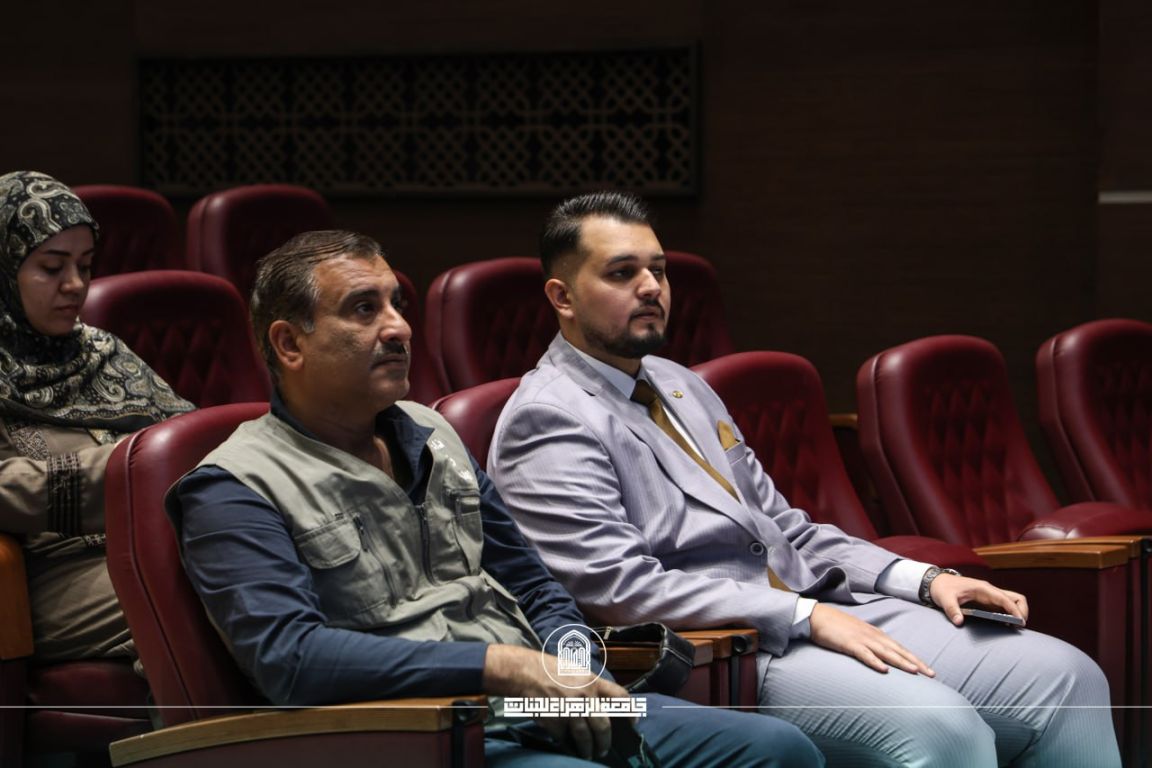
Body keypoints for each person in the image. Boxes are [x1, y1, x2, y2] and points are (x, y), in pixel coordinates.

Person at [487, 190, 1122, 768]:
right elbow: (617, 588)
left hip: (820, 607)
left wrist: (924, 580)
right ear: (562, 297)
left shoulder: (681, 384)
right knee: (944, 731)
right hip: (728, 649)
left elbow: (785, 528)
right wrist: (802, 615)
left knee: (1068, 678)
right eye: (622, 273)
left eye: (659, 269)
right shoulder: (546, 417)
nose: (652, 287)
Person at [167, 229, 823, 768]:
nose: (399, 328)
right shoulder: (232, 487)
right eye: (364, 310)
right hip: (416, 732)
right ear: (290, 343)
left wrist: (569, 668)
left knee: (779, 750)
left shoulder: (433, 433)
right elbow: (291, 661)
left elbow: (535, 588)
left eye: (397, 304)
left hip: (535, 700)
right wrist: (500, 667)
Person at [0, 170, 193, 662]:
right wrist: (130, 469)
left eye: (85, 266)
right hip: (52, 576)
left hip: (155, 539)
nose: (75, 285)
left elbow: (188, 435)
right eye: (51, 268)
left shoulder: (100, 350)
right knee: (214, 580)